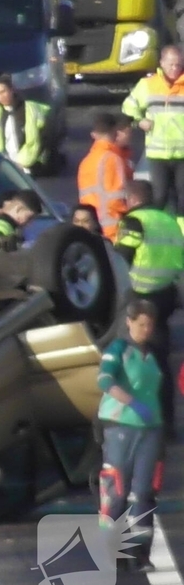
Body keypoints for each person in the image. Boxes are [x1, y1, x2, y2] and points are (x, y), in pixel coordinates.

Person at [97, 298, 164, 573]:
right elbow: (104, 380)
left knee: (144, 492)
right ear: (129, 322)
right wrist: (130, 402)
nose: (146, 330)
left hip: (150, 428)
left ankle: (140, 553)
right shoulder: (119, 349)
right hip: (121, 426)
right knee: (117, 490)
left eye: (150, 325)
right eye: (141, 324)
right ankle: (112, 551)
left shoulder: (153, 353)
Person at [113, 179, 184, 439]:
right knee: (160, 359)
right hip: (166, 296)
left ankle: (135, 422)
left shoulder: (133, 222)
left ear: (131, 199)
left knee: (130, 358)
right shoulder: (168, 221)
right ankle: (166, 424)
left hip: (140, 297)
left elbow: (121, 258)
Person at [122, 45, 184, 215]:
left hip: (182, 155)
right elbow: (128, 107)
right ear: (162, 63)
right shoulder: (148, 85)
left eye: (178, 65)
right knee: (159, 198)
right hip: (158, 155)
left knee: (182, 200)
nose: (174, 69)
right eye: (171, 64)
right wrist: (140, 121)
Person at [0, 74, 50, 175]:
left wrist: (24, 163)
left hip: (28, 167)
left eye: (3, 91)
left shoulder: (30, 110)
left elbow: (42, 138)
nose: (1, 96)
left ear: (12, 90)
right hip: (2, 168)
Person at [78, 111, 133, 241]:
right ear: (115, 131)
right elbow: (118, 197)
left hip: (91, 225)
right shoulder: (112, 159)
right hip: (112, 230)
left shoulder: (87, 161)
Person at [0, 189, 43, 254]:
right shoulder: (0, 229)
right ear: (18, 209)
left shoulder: (9, 228)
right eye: (29, 218)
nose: (30, 223)